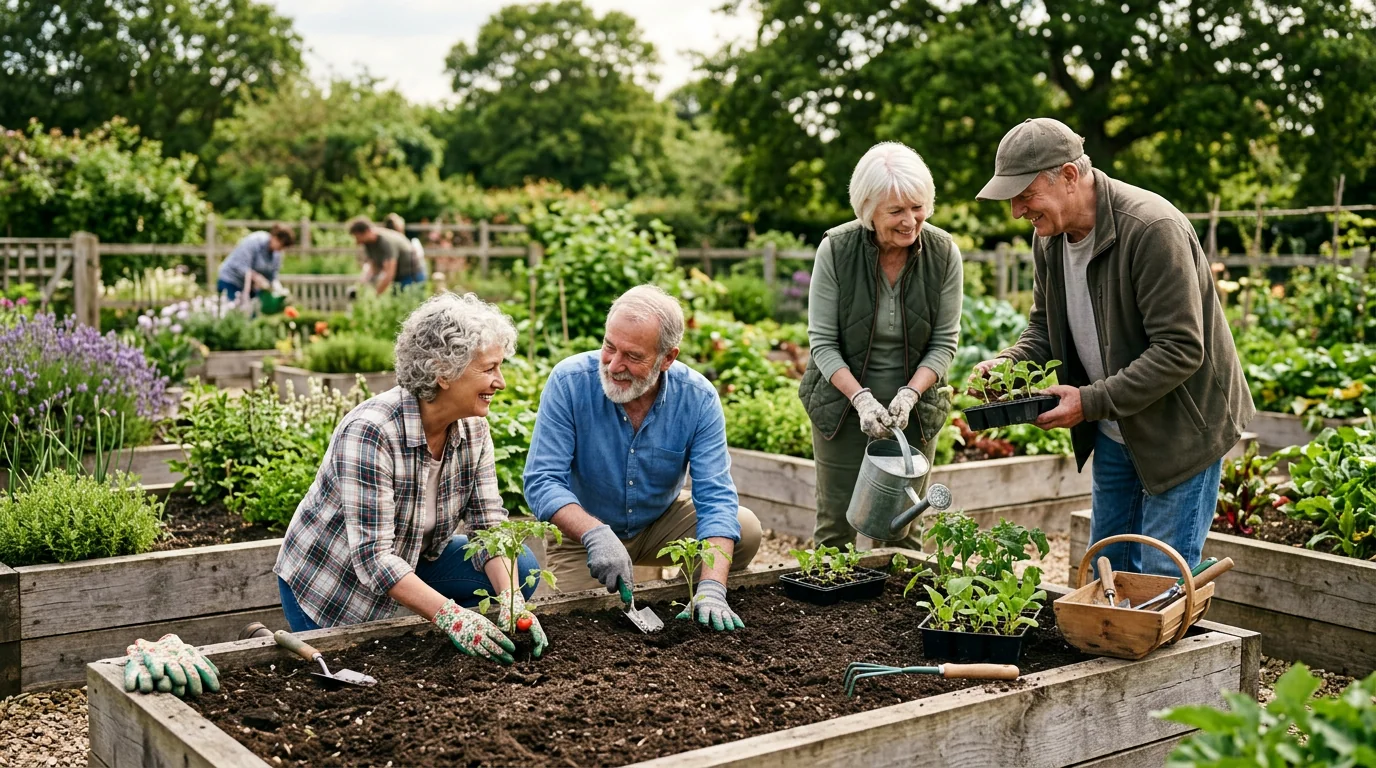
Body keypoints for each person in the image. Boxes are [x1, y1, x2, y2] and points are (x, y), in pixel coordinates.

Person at [972, 117, 1254, 576]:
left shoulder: (1150, 228)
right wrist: (1005, 367)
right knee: (1109, 568)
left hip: (1179, 431)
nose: (1018, 212)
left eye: (1025, 196)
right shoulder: (1051, 240)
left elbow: (1180, 349)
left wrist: (1089, 401)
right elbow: (1045, 328)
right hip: (1114, 430)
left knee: (1158, 580)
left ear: (1068, 176)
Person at [274, 292, 544, 664]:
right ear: (442, 371)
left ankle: (447, 628)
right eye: (489, 369)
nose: (500, 382)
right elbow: (373, 558)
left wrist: (512, 600)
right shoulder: (371, 432)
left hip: (412, 555)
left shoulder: (473, 430)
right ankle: (428, 625)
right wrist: (450, 615)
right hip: (334, 588)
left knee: (522, 569)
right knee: (364, 666)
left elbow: (488, 527)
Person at [523, 285, 762, 631]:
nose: (614, 365)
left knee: (747, 528)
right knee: (580, 624)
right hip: (584, 538)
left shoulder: (697, 398)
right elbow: (542, 480)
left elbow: (715, 497)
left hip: (658, 524)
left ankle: (686, 595)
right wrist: (594, 534)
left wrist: (711, 586)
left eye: (633, 356)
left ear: (667, 358)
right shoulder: (569, 382)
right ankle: (636, 577)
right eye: (609, 347)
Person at [797, 142, 964, 550]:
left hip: (916, 410)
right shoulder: (836, 249)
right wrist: (861, 400)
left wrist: (910, 393)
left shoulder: (944, 254)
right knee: (836, 525)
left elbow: (945, 342)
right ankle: (830, 613)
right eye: (896, 211)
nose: (911, 221)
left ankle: (897, 614)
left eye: (918, 207)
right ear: (867, 210)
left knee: (903, 528)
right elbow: (822, 341)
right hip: (842, 405)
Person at [350, 215, 427, 294]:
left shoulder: (385, 241)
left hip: (412, 275)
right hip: (398, 277)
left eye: (357, 237)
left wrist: (376, 294)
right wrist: (360, 286)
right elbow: (372, 267)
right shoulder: (368, 244)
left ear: (366, 232)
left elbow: (389, 272)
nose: (357, 242)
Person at [216, 223, 294, 300]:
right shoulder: (255, 241)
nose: (281, 250)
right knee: (233, 312)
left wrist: (280, 291)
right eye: (281, 246)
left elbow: (272, 276)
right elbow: (240, 266)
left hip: (250, 288)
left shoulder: (277, 253)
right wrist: (256, 277)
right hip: (231, 280)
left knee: (252, 311)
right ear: (275, 238)